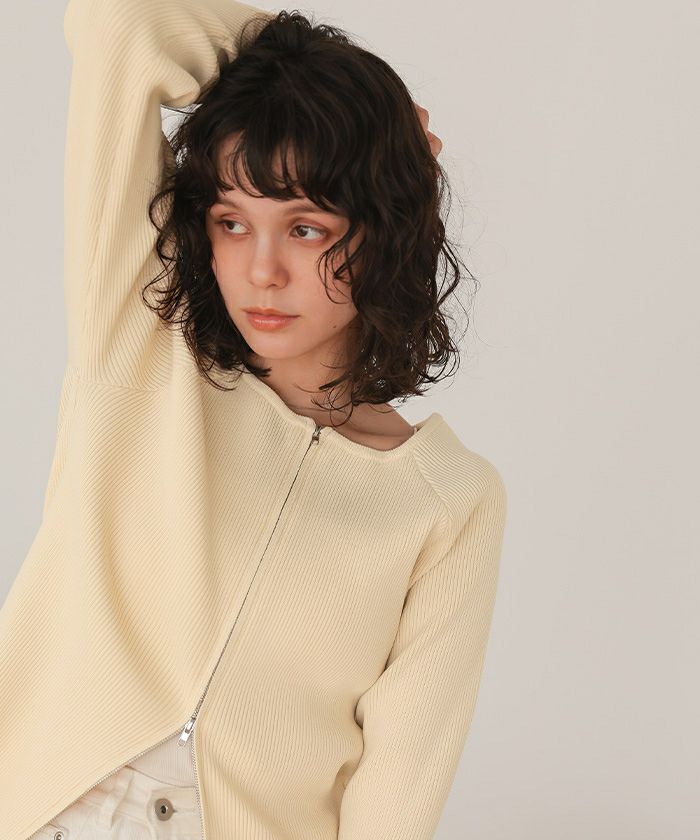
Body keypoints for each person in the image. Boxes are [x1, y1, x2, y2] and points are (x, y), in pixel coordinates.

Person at [0, 0, 508, 838]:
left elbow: (398, 789)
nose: (261, 270)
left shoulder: (449, 502)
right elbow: (120, 22)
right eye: (231, 222)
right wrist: (313, 80)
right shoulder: (141, 349)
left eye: (306, 228)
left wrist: (364, 127)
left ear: (384, 231)